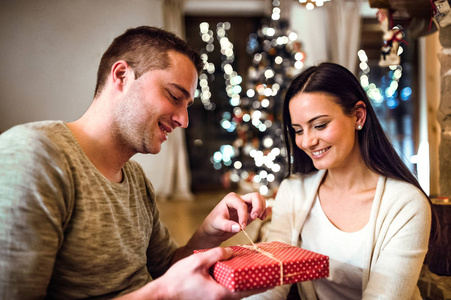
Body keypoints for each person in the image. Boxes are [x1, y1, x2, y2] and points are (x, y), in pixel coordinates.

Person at [0, 26, 268, 299]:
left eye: (187, 106)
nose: (183, 121)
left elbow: (166, 270)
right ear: (121, 75)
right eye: (174, 97)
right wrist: (164, 294)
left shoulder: (136, 179)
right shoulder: (33, 156)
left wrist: (207, 233)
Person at [246, 62, 436, 300]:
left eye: (319, 125)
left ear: (358, 116)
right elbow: (273, 282)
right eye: (298, 130)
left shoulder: (406, 204)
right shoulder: (293, 191)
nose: (307, 142)